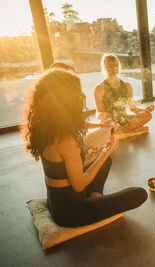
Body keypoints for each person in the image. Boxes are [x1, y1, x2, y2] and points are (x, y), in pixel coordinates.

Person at [21, 69, 147, 227]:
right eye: (78, 92)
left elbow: (64, 167)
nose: (83, 95)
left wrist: (97, 151)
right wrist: (106, 150)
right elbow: (79, 185)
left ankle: (94, 195)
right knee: (138, 194)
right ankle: (95, 198)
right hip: (70, 213)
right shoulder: (66, 140)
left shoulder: (49, 127)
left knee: (105, 162)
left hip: (57, 202)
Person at [94, 54, 154, 138]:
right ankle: (131, 131)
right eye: (110, 66)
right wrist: (108, 117)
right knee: (110, 125)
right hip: (111, 121)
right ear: (104, 68)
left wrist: (145, 109)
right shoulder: (99, 89)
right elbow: (99, 113)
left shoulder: (127, 86)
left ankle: (123, 132)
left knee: (147, 115)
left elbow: (133, 108)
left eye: (116, 65)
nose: (114, 69)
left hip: (125, 120)